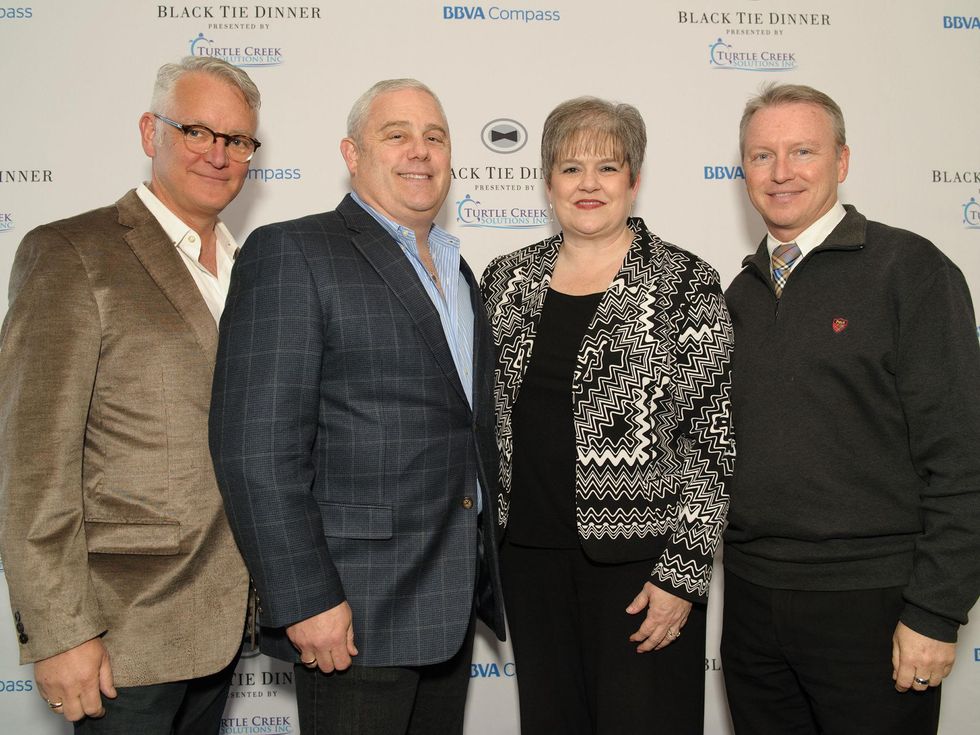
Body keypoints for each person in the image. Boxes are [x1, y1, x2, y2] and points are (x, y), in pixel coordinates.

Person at [209, 78, 505, 735]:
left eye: (435, 136)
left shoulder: (458, 271)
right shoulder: (294, 252)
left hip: (448, 602)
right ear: (352, 153)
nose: (419, 151)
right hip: (352, 610)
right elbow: (254, 451)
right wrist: (305, 596)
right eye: (395, 134)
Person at [0, 56, 262, 733]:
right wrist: (59, 631)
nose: (217, 153)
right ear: (152, 132)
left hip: (226, 625)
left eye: (237, 140)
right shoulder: (72, 253)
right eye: (197, 130)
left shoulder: (256, 269)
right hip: (122, 635)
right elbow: (31, 462)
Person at [722, 82, 980, 735]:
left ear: (842, 161)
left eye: (802, 151)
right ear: (743, 171)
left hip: (874, 607)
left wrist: (935, 611)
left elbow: (963, 457)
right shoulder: (737, 295)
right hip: (752, 607)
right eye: (761, 155)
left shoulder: (910, 271)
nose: (781, 172)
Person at [480, 97, 734, 734]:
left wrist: (684, 572)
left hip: (643, 571)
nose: (588, 184)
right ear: (547, 182)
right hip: (529, 563)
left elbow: (713, 442)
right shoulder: (507, 281)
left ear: (634, 180)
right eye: (570, 169)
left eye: (608, 168)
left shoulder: (683, 282)